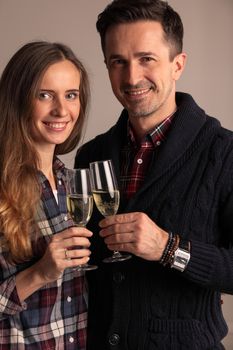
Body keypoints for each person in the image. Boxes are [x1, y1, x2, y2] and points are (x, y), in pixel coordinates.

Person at [74, 0, 233, 349]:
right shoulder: (90, 155)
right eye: (119, 62)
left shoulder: (225, 153)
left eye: (146, 59)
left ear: (178, 65)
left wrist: (167, 247)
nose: (132, 78)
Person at [0, 41, 92, 349]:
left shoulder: (73, 184)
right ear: (18, 100)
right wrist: (40, 273)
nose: (61, 110)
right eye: (44, 95)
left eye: (71, 95)